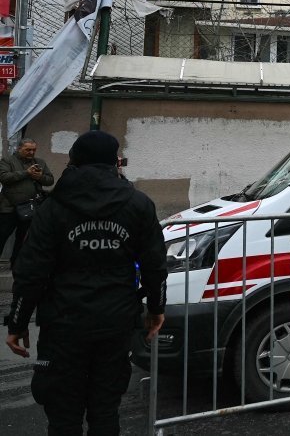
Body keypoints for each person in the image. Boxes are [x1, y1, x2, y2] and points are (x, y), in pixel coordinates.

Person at [4, 131, 167, 436]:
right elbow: (155, 265)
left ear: (74, 162)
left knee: (64, 416)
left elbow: (31, 271)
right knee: (105, 411)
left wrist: (18, 322)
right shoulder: (137, 204)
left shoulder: (53, 207)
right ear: (113, 162)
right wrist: (156, 308)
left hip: (64, 323)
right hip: (115, 321)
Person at [0, 137, 54, 266]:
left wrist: (40, 177)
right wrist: (26, 173)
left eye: (34, 150)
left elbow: (50, 180)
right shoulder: (7, 161)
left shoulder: (39, 162)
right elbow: (4, 177)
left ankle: (17, 265)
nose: (31, 152)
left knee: (23, 239)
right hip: (9, 208)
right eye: (28, 150)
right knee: (2, 236)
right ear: (19, 149)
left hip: (29, 208)